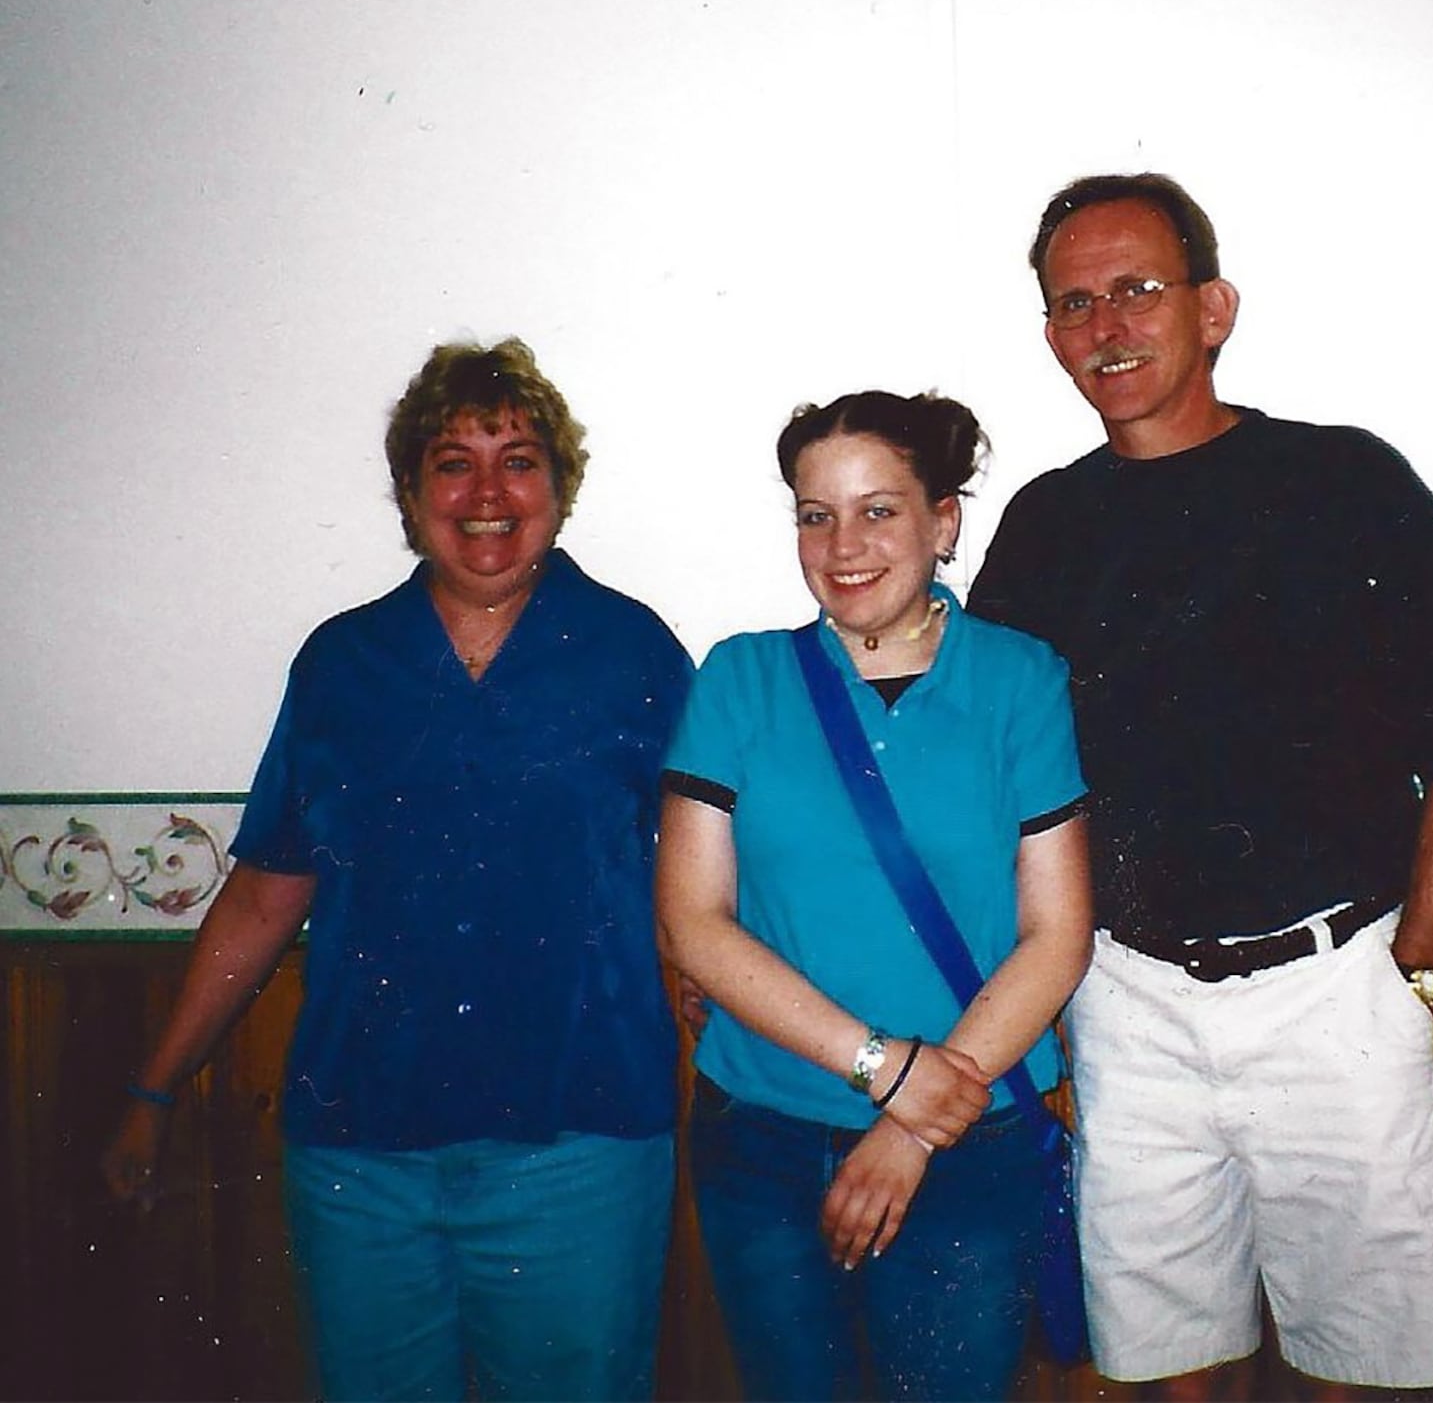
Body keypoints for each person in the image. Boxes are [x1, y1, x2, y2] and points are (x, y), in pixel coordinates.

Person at [968, 173, 1433, 1400]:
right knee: (1169, 1363)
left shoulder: (1344, 483)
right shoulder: (1044, 524)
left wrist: (1413, 982)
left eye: (1136, 290)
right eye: (1074, 304)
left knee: (1388, 1362)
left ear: (1212, 309)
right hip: (1126, 1003)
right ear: (1051, 337)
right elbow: (986, 782)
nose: (1106, 326)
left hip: (1338, 993)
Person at [102, 337, 691, 1402]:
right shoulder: (342, 662)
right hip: (360, 1152)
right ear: (409, 493)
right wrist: (154, 1085)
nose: (486, 492)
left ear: (559, 488)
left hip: (577, 1141)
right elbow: (266, 892)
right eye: (452, 461)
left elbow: (704, 879)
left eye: (518, 458)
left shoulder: (635, 652)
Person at [655, 390, 1095, 1402]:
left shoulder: (1022, 680)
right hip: (761, 1134)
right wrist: (879, 1067)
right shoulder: (740, 678)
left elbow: (1055, 931)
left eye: (877, 509)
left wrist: (909, 1121)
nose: (841, 544)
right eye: (815, 513)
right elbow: (691, 920)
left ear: (943, 520)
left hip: (965, 1139)